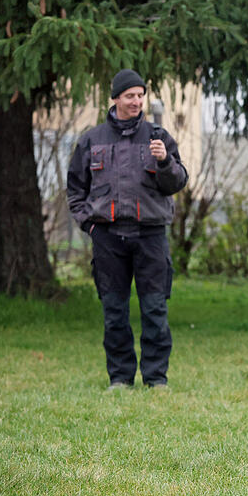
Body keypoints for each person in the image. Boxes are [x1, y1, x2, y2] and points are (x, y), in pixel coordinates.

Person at [67, 69, 188, 390]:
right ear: (116, 98)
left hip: (150, 236)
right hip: (108, 238)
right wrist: (89, 225)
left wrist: (165, 162)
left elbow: (177, 182)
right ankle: (120, 378)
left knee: (154, 309)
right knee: (114, 312)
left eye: (140, 95)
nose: (136, 102)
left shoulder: (158, 137)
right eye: (130, 96)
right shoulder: (92, 140)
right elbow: (75, 189)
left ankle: (155, 378)